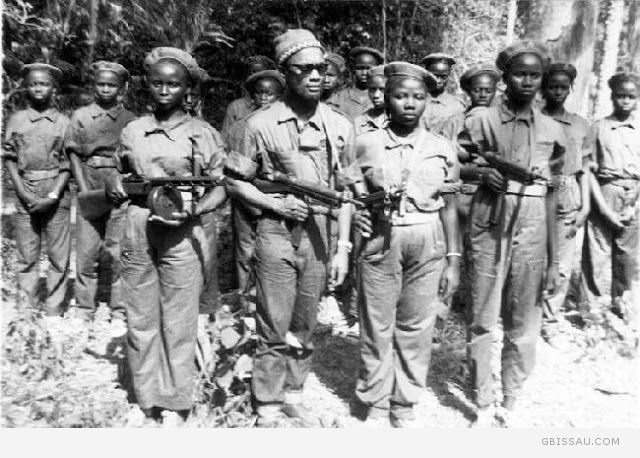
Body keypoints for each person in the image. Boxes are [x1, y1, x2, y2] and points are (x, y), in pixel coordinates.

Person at [225, 29, 353, 427]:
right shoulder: (259, 124)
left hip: (321, 235)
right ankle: (266, 402)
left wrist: (344, 247)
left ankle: (294, 395)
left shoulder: (340, 125)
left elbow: (346, 192)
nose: (315, 76)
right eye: (305, 69)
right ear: (285, 73)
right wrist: (275, 202)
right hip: (276, 233)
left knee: (304, 322)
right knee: (272, 322)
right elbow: (234, 180)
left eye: (321, 68)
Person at [105, 47, 227, 420]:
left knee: (179, 320)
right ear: (146, 85)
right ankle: (144, 401)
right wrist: (113, 181)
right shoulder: (133, 130)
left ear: (187, 88)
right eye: (156, 82)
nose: (163, 90)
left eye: (173, 84)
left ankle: (175, 402)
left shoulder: (202, 133)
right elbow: (116, 168)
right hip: (140, 224)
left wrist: (196, 209)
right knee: (140, 317)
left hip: (182, 230)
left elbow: (222, 187)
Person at [351, 62, 460, 427]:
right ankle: (376, 400)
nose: (409, 104)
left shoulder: (442, 148)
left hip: (427, 238)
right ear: (386, 99)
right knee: (376, 323)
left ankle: (404, 401)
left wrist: (453, 259)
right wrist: (356, 218)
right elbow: (349, 193)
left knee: (416, 324)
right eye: (400, 96)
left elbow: (450, 208)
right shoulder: (365, 143)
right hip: (382, 238)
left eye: (417, 97)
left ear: (428, 101)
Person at [465, 42, 565, 427]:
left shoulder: (554, 130)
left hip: (534, 220)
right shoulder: (481, 121)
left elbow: (555, 193)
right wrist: (477, 174)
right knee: (483, 314)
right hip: (491, 215)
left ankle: (511, 397)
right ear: (504, 77)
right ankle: (482, 401)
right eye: (520, 73)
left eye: (535, 74)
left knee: (524, 317)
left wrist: (555, 258)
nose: (528, 81)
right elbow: (454, 165)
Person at [66, 61, 136, 334]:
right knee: (86, 251)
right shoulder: (81, 116)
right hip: (89, 179)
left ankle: (119, 309)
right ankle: (85, 308)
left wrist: (125, 185)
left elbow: (135, 157)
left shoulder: (130, 119)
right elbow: (73, 153)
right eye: (101, 84)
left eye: (111, 85)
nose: (106, 89)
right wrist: (84, 189)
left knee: (121, 252)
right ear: (93, 85)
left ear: (121, 89)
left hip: (119, 186)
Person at [2, 63, 71, 329]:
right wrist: (21, 190)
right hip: (25, 190)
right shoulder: (17, 120)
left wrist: (53, 194)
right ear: (26, 87)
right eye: (33, 84)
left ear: (54, 88)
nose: (38, 88)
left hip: (56, 193)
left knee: (57, 255)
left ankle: (54, 308)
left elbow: (68, 163)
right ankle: (26, 309)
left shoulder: (64, 123)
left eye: (44, 84)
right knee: (27, 254)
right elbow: (8, 157)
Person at [438, 63, 500, 312]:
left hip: (489, 198)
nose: (483, 94)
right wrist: (476, 171)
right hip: (459, 193)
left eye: (488, 89)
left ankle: (477, 314)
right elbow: (445, 164)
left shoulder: (503, 122)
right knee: (451, 252)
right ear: (468, 91)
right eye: (477, 90)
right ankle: (441, 312)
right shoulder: (454, 122)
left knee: (483, 256)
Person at [582, 72, 640, 323]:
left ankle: (622, 302)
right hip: (604, 190)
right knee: (597, 250)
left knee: (627, 254)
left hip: (634, 195)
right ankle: (592, 308)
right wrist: (603, 208)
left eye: (631, 96)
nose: (625, 101)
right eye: (620, 96)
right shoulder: (598, 127)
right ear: (612, 97)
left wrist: (634, 205)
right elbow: (587, 169)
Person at [539, 63, 591, 331]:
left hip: (566, 192)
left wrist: (585, 206)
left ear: (570, 89)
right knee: (532, 254)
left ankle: (549, 317)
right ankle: (525, 313)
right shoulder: (534, 118)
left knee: (561, 258)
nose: (558, 92)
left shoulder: (581, 125)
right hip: (536, 192)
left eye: (563, 87)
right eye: (552, 86)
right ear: (543, 88)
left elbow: (585, 170)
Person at [226, 70, 286, 293]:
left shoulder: (287, 124)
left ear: (280, 97)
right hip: (247, 197)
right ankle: (246, 302)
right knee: (246, 249)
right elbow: (236, 170)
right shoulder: (241, 126)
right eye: (259, 93)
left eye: (270, 94)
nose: (263, 98)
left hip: (279, 198)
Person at [221, 56, 276, 138]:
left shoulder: (277, 105)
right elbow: (225, 139)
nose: (256, 77)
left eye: (261, 73)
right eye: (252, 73)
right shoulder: (236, 107)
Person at [328, 46, 385, 121]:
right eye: (360, 68)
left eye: (368, 68)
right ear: (353, 69)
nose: (364, 73)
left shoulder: (384, 98)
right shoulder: (339, 98)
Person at [421, 53, 466, 131]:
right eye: (434, 76)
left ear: (449, 76)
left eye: (443, 77)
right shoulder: (417, 100)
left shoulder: (456, 106)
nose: (438, 81)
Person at [353, 65, 388, 137]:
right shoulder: (359, 122)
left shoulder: (400, 120)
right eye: (372, 90)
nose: (376, 95)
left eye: (382, 89)